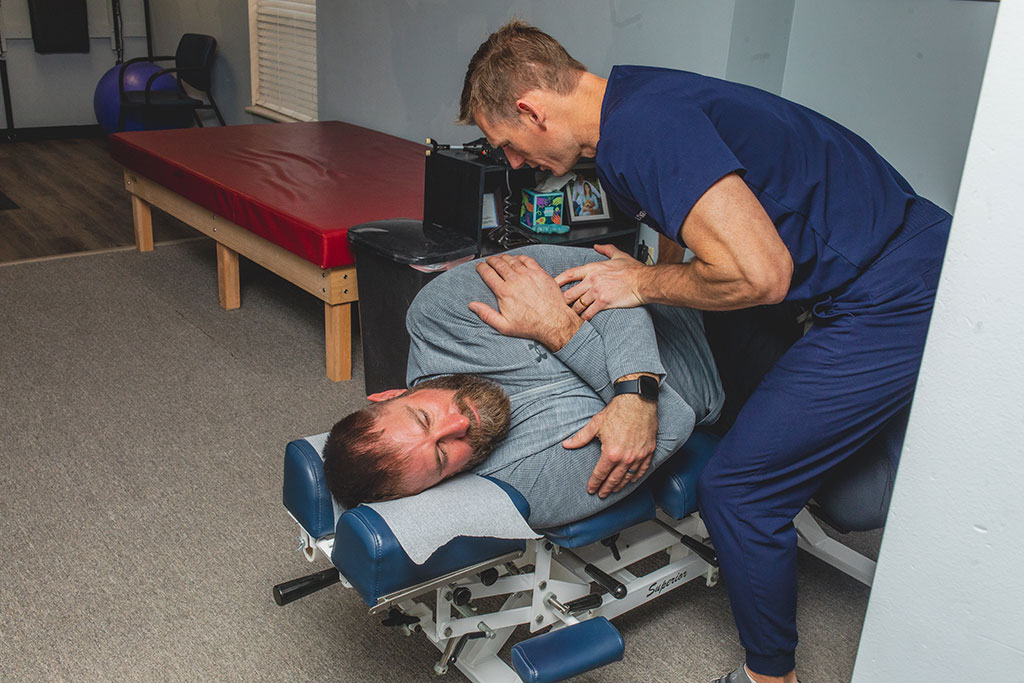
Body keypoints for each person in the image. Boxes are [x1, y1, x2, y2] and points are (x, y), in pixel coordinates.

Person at [457, 20, 951, 683]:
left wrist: (636, 282)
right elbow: (677, 227)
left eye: (507, 146)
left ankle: (769, 677)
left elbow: (761, 274)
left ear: (530, 109)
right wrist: (651, 291)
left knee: (740, 492)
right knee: (717, 379)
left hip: (894, 288)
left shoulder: (645, 132)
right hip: (860, 269)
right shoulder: (627, 106)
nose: (513, 164)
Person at [322, 245, 723, 528]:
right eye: (443, 456)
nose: (457, 425)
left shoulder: (442, 314)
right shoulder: (523, 484)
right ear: (436, 487)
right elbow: (671, 417)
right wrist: (562, 329)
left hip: (689, 285)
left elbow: (603, 273)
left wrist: (626, 398)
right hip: (730, 380)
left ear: (389, 393)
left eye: (424, 418)